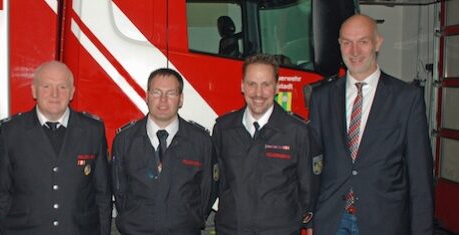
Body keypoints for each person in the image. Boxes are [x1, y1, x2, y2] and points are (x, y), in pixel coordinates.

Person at [308, 14, 433, 234]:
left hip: (384, 221)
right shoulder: (321, 98)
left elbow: (420, 174)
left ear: (378, 43)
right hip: (331, 220)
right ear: (339, 45)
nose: (354, 51)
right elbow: (313, 164)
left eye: (363, 42)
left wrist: (422, 230)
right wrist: (309, 218)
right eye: (347, 43)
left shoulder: (406, 99)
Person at [0, 61, 111, 234]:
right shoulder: (12, 132)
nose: (55, 94)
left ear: (72, 93)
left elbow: (103, 194)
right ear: (34, 90)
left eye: (62, 87)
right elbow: (1, 192)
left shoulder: (92, 130)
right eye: (46, 86)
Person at [212, 54, 317, 234]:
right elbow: (217, 183)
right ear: (242, 86)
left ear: (276, 87)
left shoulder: (297, 132)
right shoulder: (224, 128)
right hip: (232, 229)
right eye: (252, 84)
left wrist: (295, 222)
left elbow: (307, 188)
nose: (258, 93)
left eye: (266, 85)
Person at [112, 68, 217, 235]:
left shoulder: (201, 141)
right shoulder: (125, 140)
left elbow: (207, 191)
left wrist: (187, 219)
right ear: (146, 96)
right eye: (156, 93)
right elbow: (119, 193)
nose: (163, 100)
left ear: (181, 99)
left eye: (171, 94)